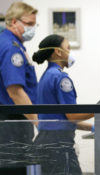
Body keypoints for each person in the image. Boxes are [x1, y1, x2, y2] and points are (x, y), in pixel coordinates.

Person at [31, 34, 94, 175]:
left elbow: (60, 119)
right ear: (58, 52)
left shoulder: (46, 76)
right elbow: (72, 116)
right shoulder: (60, 78)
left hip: (46, 143)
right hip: (58, 147)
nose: (70, 53)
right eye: (68, 48)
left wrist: (93, 127)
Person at [0, 2, 38, 168]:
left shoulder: (9, 43)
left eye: (34, 24)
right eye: (29, 24)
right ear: (14, 22)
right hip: (12, 123)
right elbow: (15, 92)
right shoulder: (11, 48)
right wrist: (39, 123)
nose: (32, 28)